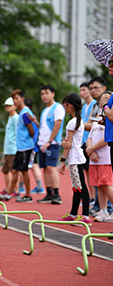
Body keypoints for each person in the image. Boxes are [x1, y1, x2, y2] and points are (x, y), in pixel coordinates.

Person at [58, 93, 91, 226]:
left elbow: (68, 144)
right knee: (77, 187)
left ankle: (86, 216)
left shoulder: (72, 122)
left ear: (70, 106)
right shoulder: (78, 121)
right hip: (76, 158)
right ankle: (73, 213)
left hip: (75, 159)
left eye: (65, 105)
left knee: (81, 187)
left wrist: (62, 160)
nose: (64, 108)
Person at [0, 90, 34, 202]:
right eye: (14, 100)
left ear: (22, 99)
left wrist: (28, 142)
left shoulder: (23, 113)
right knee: (16, 170)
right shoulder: (21, 113)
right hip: (20, 147)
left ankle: (27, 195)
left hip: (25, 147)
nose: (15, 101)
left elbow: (32, 130)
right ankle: (9, 193)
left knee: (23, 171)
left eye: (17, 99)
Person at [33, 85, 65, 204]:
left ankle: (56, 195)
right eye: (42, 94)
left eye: (47, 93)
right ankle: (49, 194)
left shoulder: (58, 108)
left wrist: (49, 141)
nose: (44, 96)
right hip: (42, 144)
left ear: (53, 93)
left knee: (51, 167)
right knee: (45, 169)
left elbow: (57, 125)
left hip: (52, 143)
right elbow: (43, 127)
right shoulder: (45, 110)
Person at [86, 91, 113, 222]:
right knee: (99, 185)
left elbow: (106, 139)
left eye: (107, 99)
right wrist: (90, 150)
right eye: (102, 99)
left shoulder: (109, 118)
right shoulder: (98, 120)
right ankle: (103, 211)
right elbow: (89, 137)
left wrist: (92, 148)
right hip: (94, 159)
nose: (104, 101)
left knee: (105, 184)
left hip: (105, 157)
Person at [0, 97, 20, 199]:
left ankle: (16, 190)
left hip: (13, 148)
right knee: (6, 170)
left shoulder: (15, 117)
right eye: (6, 106)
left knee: (13, 170)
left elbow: (17, 133)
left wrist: (16, 147)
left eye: (10, 105)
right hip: (8, 148)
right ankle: (7, 189)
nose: (8, 107)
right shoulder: (11, 117)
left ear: (15, 106)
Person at [24, 98, 45, 195]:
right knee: (33, 165)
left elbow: (33, 132)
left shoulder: (28, 117)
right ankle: (38, 186)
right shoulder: (33, 117)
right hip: (33, 145)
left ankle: (39, 187)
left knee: (34, 165)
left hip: (31, 145)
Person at [80, 82, 96, 200]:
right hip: (83, 141)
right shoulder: (84, 106)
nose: (82, 93)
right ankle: (91, 197)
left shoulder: (95, 104)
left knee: (92, 171)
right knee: (86, 170)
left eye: (84, 90)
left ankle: (95, 198)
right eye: (80, 90)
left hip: (92, 141)